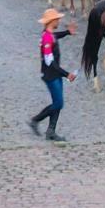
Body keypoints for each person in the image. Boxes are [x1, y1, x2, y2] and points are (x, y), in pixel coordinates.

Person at [29, 8, 73, 141]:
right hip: (51, 75)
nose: (59, 21)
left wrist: (67, 32)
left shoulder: (48, 34)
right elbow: (50, 62)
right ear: (52, 21)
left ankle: (51, 131)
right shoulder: (47, 38)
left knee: (57, 103)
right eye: (57, 19)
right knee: (58, 103)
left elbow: (56, 36)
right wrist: (66, 74)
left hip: (55, 75)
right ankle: (36, 120)